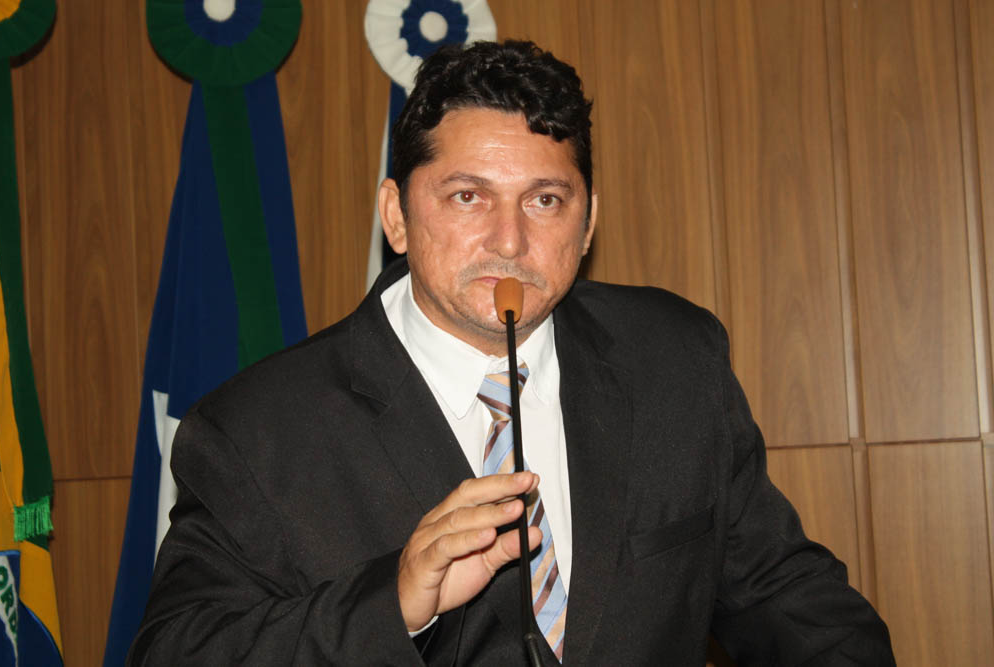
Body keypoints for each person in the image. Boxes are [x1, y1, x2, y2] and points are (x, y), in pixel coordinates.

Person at [129, 41, 894, 665]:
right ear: (396, 215)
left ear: (587, 225)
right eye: (468, 196)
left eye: (545, 200)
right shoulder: (256, 429)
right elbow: (176, 652)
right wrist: (393, 601)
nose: (510, 239)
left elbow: (786, 599)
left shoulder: (674, 358)